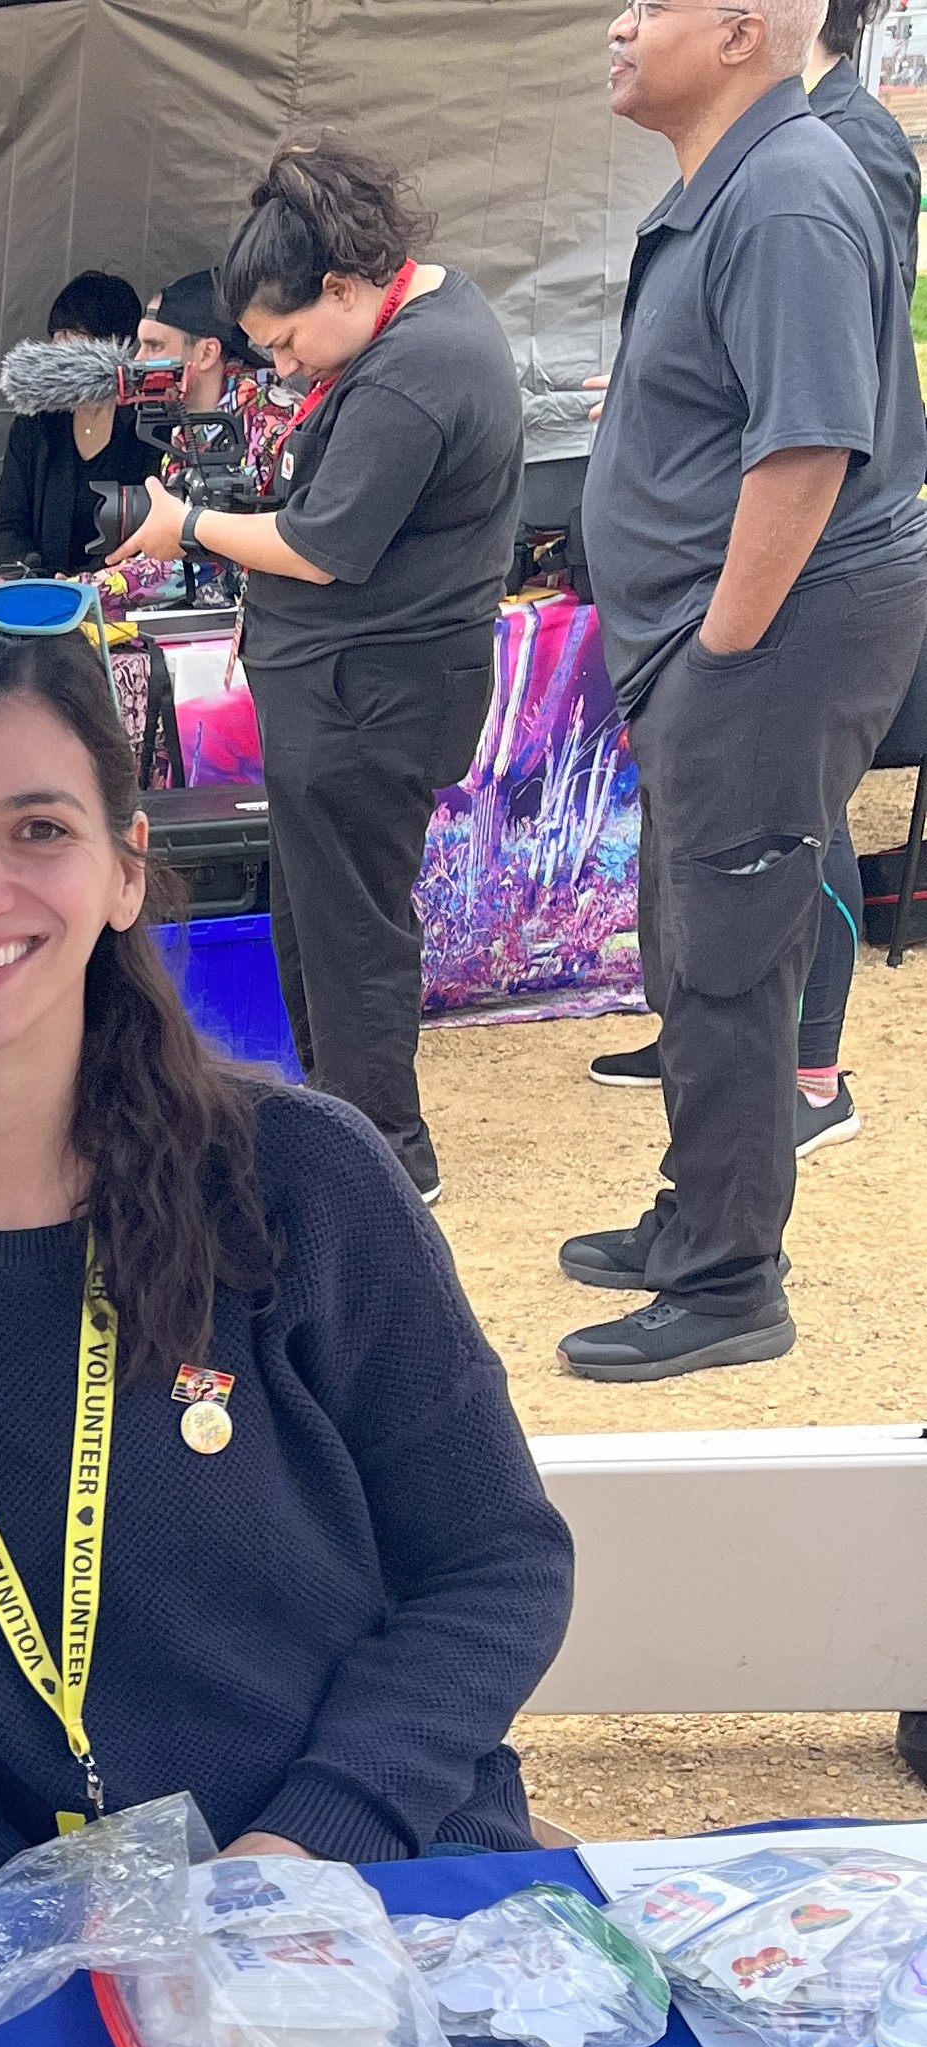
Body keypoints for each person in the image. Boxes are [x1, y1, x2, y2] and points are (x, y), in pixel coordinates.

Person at [0, 603, 572, 1876]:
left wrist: (295, 1851)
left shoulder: (301, 1179)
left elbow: (490, 1564)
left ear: (125, 868)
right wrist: (46, 1915)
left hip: (370, 1881)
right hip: (9, 1942)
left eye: (39, 828)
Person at [562, 0, 927, 1380]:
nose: (614, 24)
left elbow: (806, 451)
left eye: (645, 6)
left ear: (734, 30)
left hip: (764, 645)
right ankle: (690, 1218)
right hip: (728, 645)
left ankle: (726, 1285)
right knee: (691, 936)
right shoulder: (735, 180)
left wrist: (717, 650)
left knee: (727, 954)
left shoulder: (783, 192)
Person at [112, 145, 523, 1203]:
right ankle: (342, 1133)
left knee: (352, 932)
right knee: (314, 922)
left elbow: (324, 543)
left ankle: (386, 1158)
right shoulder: (397, 334)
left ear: (342, 285)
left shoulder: (420, 371)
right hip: (340, 692)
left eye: (288, 340)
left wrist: (185, 523)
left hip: (373, 696)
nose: (285, 365)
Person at [112, 267, 292, 607]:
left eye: (154, 345)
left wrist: (90, 592)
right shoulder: (186, 425)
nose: (138, 360)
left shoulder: (272, 423)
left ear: (207, 353)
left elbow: (201, 561)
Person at [0, 271, 159, 579]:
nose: (60, 348)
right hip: (44, 596)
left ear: (116, 345)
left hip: (122, 594)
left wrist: (92, 582)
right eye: (57, 336)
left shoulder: (149, 425)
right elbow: (9, 521)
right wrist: (33, 578)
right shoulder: (34, 424)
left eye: (75, 336)